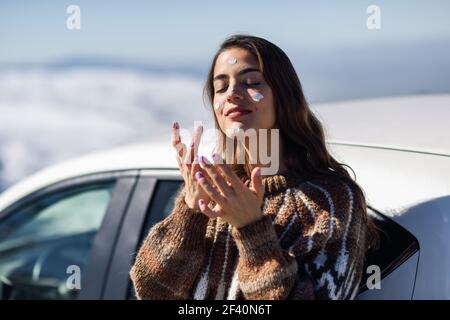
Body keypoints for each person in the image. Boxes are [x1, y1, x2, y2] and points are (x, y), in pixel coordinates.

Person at [130, 34, 378, 300]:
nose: (232, 95)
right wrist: (189, 212)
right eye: (221, 88)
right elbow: (152, 292)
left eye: (251, 83)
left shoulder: (331, 200)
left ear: (284, 97)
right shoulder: (216, 192)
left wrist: (251, 229)